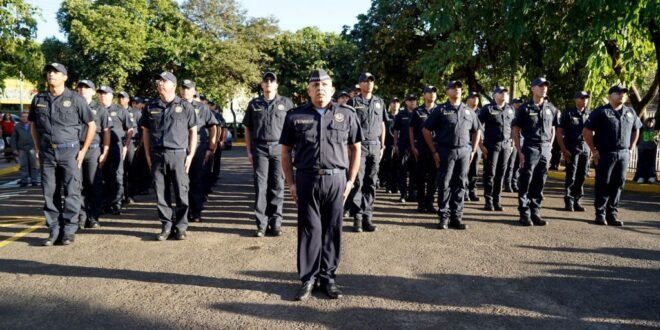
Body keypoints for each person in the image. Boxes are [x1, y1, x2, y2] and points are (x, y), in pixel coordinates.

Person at [280, 69, 362, 301]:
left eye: (324, 84)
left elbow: (356, 149)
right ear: (308, 90)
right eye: (315, 85)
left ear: (332, 89)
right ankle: (308, 278)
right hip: (307, 178)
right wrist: (291, 184)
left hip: (337, 179)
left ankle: (328, 277)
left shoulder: (346, 114)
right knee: (309, 229)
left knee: (332, 228)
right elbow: (285, 152)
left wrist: (351, 181)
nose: (320, 88)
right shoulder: (294, 116)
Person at [29, 63, 96, 246]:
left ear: (65, 77)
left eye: (56, 72)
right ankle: (54, 230)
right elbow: (33, 125)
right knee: (50, 192)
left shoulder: (76, 99)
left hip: (69, 151)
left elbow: (91, 125)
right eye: (50, 72)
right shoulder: (39, 99)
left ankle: (69, 230)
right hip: (47, 152)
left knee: (72, 191)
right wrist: (37, 148)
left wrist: (83, 150)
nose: (52, 75)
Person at [140, 71, 198, 240]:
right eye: (159, 80)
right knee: (160, 193)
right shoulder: (151, 106)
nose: (160, 83)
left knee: (181, 192)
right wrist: (148, 155)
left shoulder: (185, 106)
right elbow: (146, 132)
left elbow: (193, 131)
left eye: (164, 81)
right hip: (157, 154)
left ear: (173, 85)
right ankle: (166, 225)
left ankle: (180, 227)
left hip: (178, 154)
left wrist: (190, 154)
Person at [422, 81, 481, 230]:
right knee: (445, 184)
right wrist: (434, 151)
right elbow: (426, 130)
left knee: (461, 184)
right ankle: (443, 217)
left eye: (459, 88)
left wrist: (473, 150)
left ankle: (457, 217)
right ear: (447, 91)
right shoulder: (440, 110)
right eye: (453, 88)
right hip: (445, 151)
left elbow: (477, 130)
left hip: (464, 151)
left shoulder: (469, 111)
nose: (457, 90)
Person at [243, 72, 294, 237]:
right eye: (266, 81)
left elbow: (292, 128)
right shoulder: (254, 104)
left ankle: (276, 222)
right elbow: (248, 128)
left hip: (279, 149)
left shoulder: (286, 103)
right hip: (260, 148)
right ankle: (261, 224)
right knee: (261, 186)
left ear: (276, 84)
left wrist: (292, 150)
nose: (269, 83)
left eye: (272, 81)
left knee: (278, 186)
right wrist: (249, 151)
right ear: (262, 84)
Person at [583, 85, 642, 226]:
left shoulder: (630, 112)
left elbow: (636, 129)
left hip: (623, 153)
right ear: (610, 95)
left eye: (624, 93)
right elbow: (587, 131)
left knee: (618, 184)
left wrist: (632, 145)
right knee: (603, 183)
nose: (622, 95)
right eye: (618, 93)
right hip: (605, 153)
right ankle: (600, 214)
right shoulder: (601, 112)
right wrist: (593, 150)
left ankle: (612, 214)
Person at [511, 78, 560, 226]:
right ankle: (524, 213)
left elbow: (553, 128)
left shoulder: (551, 108)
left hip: (545, 148)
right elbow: (515, 129)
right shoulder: (525, 108)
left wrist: (550, 147)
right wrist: (519, 150)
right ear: (532, 88)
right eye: (540, 86)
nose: (543, 88)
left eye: (545, 86)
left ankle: (535, 212)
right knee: (526, 180)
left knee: (540, 180)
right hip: (530, 147)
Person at [347, 72, 386, 233]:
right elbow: (348, 126)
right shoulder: (353, 102)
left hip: (375, 146)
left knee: (371, 182)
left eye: (371, 81)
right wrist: (349, 148)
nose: (369, 83)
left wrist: (382, 145)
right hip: (359, 146)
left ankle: (367, 217)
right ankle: (357, 218)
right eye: (365, 81)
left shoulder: (379, 102)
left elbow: (382, 123)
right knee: (358, 182)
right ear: (360, 84)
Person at [180, 79, 218, 222]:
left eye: (188, 88)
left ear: (194, 91)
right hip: (180, 147)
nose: (185, 91)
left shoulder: (202, 108)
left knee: (196, 179)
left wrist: (211, 147)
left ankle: (196, 211)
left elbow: (213, 126)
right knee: (181, 181)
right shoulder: (175, 105)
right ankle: (183, 211)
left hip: (198, 148)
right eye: (183, 88)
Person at [76, 80, 111, 229]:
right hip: (76, 149)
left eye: (87, 88)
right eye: (81, 87)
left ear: (92, 91)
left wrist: (105, 151)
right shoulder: (74, 105)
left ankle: (94, 216)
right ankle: (81, 216)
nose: (83, 90)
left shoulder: (100, 109)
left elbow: (106, 131)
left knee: (93, 184)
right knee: (77, 185)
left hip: (93, 150)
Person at [97, 86, 134, 215]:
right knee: (100, 177)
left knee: (117, 176)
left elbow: (129, 129)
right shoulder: (94, 109)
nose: (102, 96)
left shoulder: (120, 110)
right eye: (100, 94)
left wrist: (125, 145)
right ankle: (102, 203)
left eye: (105, 94)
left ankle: (115, 204)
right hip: (98, 147)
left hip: (115, 147)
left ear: (111, 96)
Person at [478, 86, 514, 211]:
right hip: (491, 146)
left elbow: (513, 127)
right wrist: (481, 145)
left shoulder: (510, 109)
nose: (504, 94)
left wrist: (512, 143)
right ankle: (488, 201)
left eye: (505, 93)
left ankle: (497, 200)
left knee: (501, 173)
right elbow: (478, 127)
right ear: (494, 95)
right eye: (500, 92)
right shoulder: (487, 109)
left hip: (506, 146)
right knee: (490, 173)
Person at [556, 91, 591, 211]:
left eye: (586, 98)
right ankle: (569, 200)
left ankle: (577, 200)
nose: (585, 100)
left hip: (585, 147)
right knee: (571, 175)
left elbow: (593, 133)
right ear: (576, 99)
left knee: (582, 175)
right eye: (582, 98)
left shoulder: (589, 114)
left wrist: (592, 149)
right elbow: (559, 132)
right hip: (572, 147)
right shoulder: (568, 113)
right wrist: (563, 149)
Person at [409, 86, 438, 213]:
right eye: (429, 92)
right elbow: (411, 129)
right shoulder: (417, 111)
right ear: (424, 95)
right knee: (420, 176)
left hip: (436, 148)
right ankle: (421, 203)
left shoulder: (440, 110)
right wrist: (413, 146)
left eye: (434, 92)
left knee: (434, 177)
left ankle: (430, 202)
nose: (431, 94)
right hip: (421, 148)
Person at [393, 94, 417, 203]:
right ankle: (403, 193)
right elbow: (396, 130)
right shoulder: (401, 114)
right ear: (406, 102)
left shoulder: (418, 112)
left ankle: (412, 193)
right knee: (403, 169)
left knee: (414, 170)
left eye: (414, 100)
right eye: (410, 100)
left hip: (416, 146)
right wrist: (395, 145)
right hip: (403, 145)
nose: (412, 102)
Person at [11, 112, 40, 187]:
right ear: (20, 118)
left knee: (34, 166)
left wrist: (38, 148)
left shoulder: (34, 125)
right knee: (23, 166)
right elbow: (13, 138)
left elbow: (38, 136)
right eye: (23, 116)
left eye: (26, 116)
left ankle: (34, 180)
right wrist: (14, 149)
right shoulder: (17, 126)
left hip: (32, 148)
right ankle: (24, 181)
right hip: (22, 149)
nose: (25, 118)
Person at [379, 97, 399, 194]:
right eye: (393, 102)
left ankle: (396, 186)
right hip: (388, 144)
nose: (395, 104)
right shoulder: (386, 117)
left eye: (397, 103)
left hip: (400, 145)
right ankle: (388, 186)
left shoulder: (402, 115)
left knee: (398, 167)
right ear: (390, 105)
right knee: (388, 166)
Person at [465, 91, 482, 202]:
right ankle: (465, 191)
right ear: (468, 100)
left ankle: (472, 191)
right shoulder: (464, 110)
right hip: (466, 144)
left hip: (478, 145)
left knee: (475, 169)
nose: (475, 99)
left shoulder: (482, 111)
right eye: (472, 97)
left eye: (476, 97)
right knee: (464, 169)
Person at [504, 98, 524, 192]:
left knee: (517, 165)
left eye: (519, 103)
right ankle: (507, 183)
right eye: (517, 103)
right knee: (510, 164)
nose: (518, 105)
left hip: (521, 141)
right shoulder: (511, 113)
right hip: (513, 141)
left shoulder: (521, 114)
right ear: (512, 104)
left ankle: (514, 182)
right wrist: (512, 140)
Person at [634, 117, 658, 183]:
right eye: (649, 122)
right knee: (641, 163)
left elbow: (657, 139)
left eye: (652, 122)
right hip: (642, 149)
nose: (650, 124)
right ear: (646, 122)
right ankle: (641, 177)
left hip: (652, 149)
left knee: (651, 163)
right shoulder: (642, 129)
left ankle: (651, 176)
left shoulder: (655, 130)